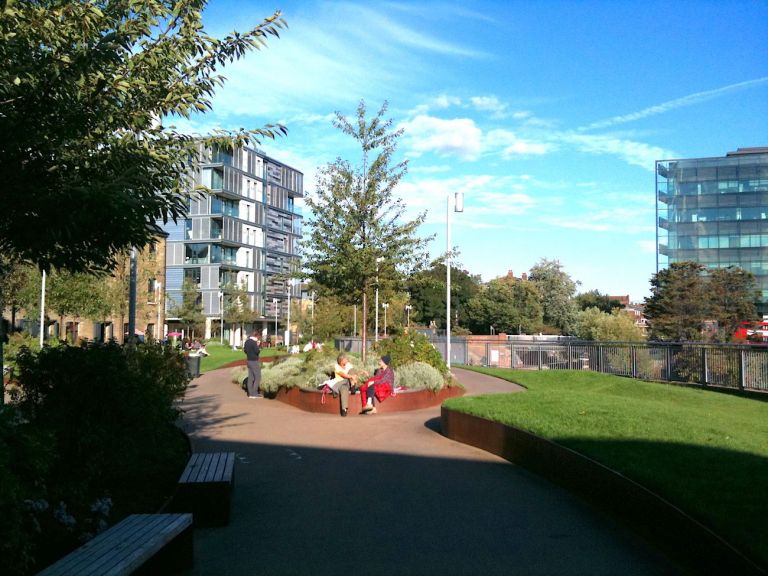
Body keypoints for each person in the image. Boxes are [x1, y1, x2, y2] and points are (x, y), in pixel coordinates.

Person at [243, 330, 262, 398]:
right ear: (256, 336)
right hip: (254, 361)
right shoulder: (254, 343)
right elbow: (257, 351)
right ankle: (254, 393)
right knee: (258, 377)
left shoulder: (247, 341)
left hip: (249, 361)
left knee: (250, 377)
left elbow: (245, 350)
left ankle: (250, 394)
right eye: (258, 337)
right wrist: (258, 346)